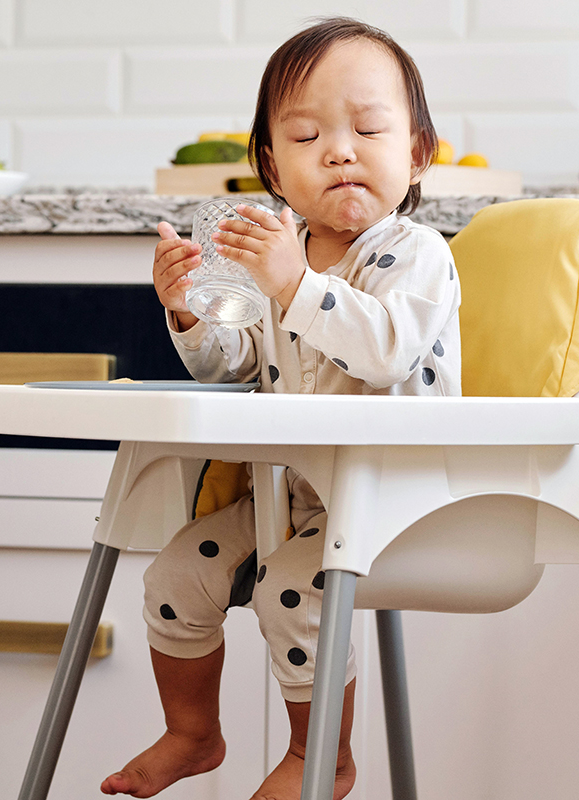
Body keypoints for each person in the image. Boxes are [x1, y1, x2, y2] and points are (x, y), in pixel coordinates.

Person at [100, 16, 461, 800]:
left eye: (369, 127)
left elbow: (389, 348)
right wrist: (191, 314)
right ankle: (193, 734)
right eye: (306, 136)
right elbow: (238, 368)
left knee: (288, 589)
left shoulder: (417, 255)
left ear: (419, 151)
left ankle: (324, 757)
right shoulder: (278, 257)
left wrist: (296, 285)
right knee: (173, 578)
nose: (340, 149)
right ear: (271, 165)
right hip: (293, 495)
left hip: (396, 498)